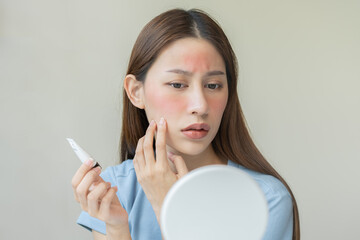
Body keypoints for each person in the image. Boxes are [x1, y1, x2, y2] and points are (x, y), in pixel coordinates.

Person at [71, 8, 300, 240]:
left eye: (213, 85)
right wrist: (117, 230)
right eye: (178, 84)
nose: (200, 106)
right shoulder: (117, 189)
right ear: (135, 92)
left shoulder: (266, 198)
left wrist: (168, 206)